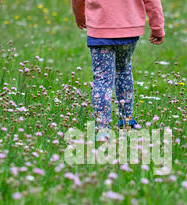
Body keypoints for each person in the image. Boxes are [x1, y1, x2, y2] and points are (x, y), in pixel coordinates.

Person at [71, 0, 165, 140]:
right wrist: (157, 27)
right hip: (129, 28)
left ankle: (102, 128)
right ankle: (126, 120)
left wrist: (80, 15)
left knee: (102, 78)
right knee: (123, 70)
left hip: (100, 28)